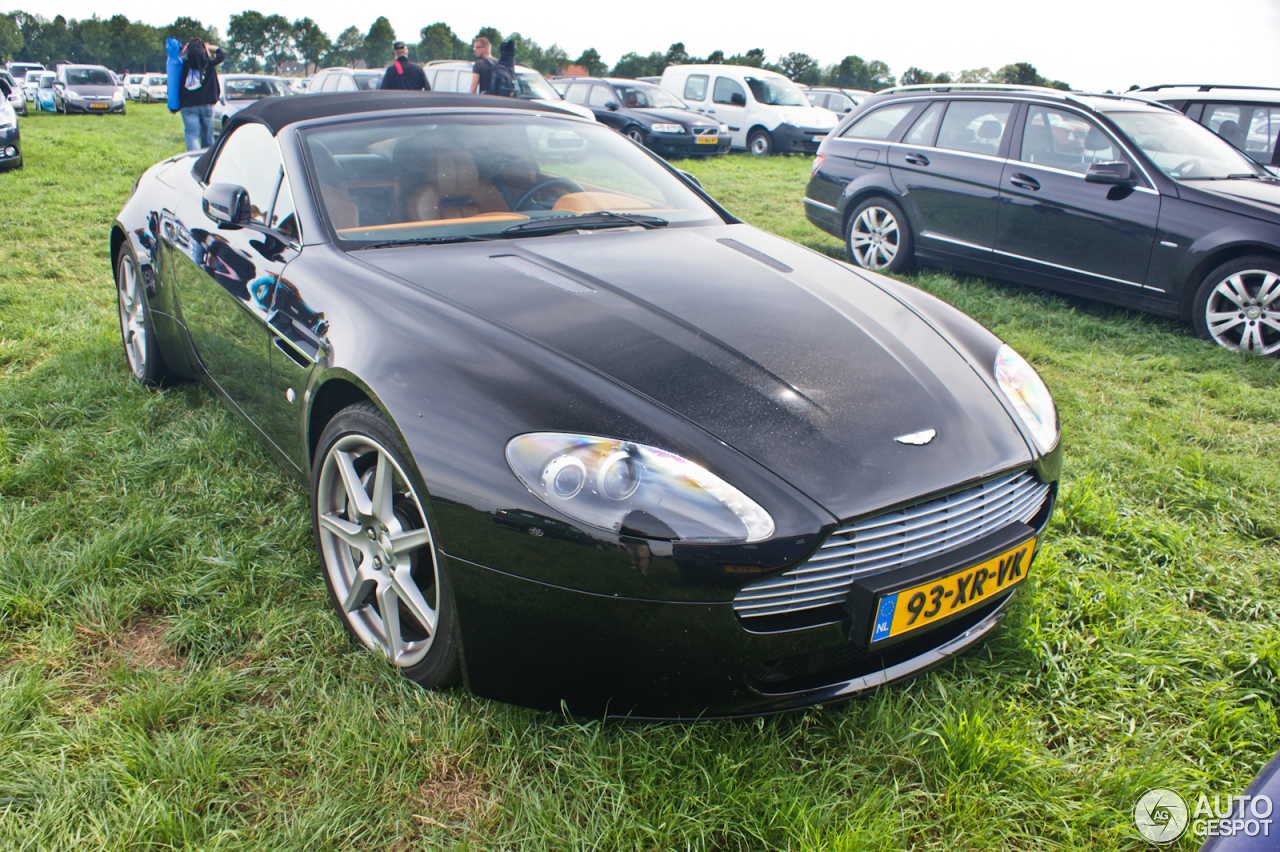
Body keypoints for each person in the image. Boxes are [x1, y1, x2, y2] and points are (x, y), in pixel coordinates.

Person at [176, 39, 226, 151]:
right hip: (207, 103)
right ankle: (206, 163)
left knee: (192, 134)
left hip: (188, 105)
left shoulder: (182, 63)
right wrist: (206, 46)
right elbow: (223, 52)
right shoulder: (209, 62)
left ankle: (193, 159)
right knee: (208, 137)